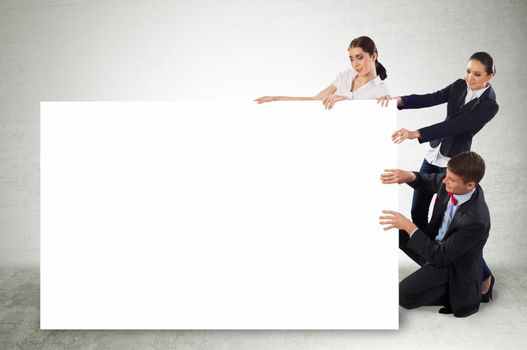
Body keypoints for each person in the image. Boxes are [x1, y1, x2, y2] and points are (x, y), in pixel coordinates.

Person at [377, 52, 498, 294]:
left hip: (453, 163)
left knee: (449, 224)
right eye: (468, 71)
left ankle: (484, 276)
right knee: (417, 212)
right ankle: (435, 258)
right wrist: (400, 101)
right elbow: (432, 98)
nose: (470, 77)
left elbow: (455, 126)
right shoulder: (458, 85)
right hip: (432, 156)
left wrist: (416, 133)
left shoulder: (489, 106)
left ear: (490, 76)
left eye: (477, 74)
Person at [379, 151, 494, 317]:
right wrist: (409, 176)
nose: (444, 181)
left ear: (470, 185)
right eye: (446, 175)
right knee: (394, 231)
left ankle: (458, 291)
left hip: (449, 263)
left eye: (451, 180)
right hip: (437, 247)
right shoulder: (454, 182)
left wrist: (410, 227)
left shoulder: (475, 221)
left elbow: (440, 257)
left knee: (403, 297)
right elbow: (430, 180)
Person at [254, 36, 389, 109]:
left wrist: (344, 100)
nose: (355, 64)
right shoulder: (345, 76)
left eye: (360, 57)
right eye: (351, 59)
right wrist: (275, 98)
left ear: (373, 56)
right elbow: (314, 100)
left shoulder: (381, 91)